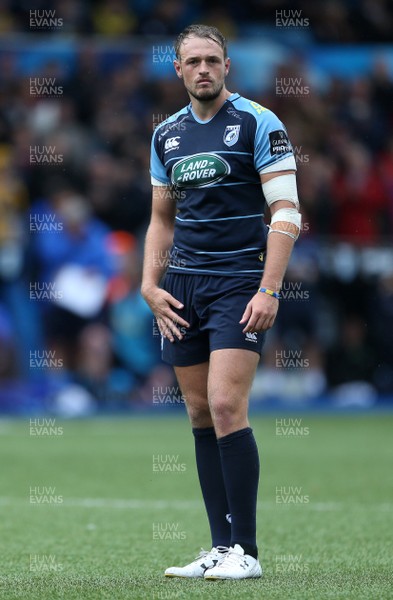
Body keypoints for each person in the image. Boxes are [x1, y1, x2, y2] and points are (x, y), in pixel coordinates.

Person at [142, 24, 301, 581]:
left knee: (228, 405)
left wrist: (269, 287)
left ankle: (248, 553)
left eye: (213, 59)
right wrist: (148, 283)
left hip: (239, 281)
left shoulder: (259, 122)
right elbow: (163, 219)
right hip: (183, 288)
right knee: (200, 412)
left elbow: (286, 213)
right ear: (178, 70)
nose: (204, 68)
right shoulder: (167, 136)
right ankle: (219, 546)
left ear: (227, 66)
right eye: (193, 61)